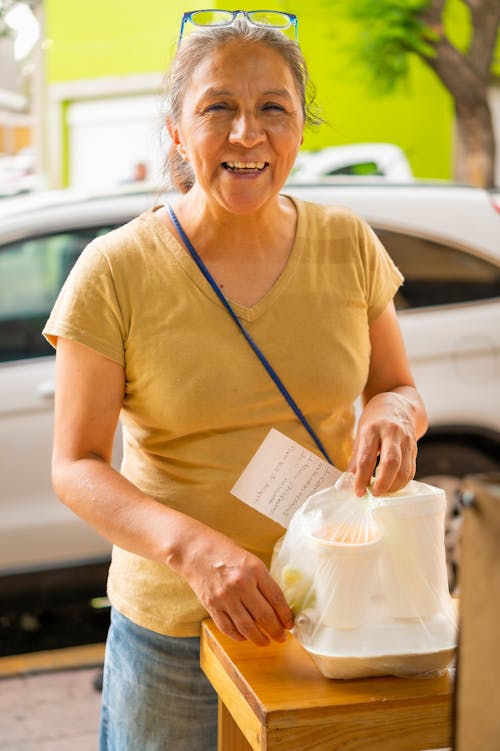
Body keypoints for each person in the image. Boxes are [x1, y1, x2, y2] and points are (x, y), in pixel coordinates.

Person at [43, 9, 427, 751]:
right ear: (178, 132)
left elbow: (396, 385)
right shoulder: (114, 270)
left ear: (301, 129)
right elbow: (75, 465)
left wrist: (394, 418)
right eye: (219, 106)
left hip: (334, 616)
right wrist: (195, 551)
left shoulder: (348, 243)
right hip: (177, 636)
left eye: (272, 108)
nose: (248, 134)